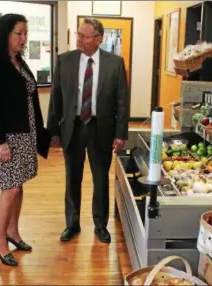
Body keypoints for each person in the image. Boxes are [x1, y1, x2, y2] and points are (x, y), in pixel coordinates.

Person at [0, 14, 50, 266]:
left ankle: (13, 232)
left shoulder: (19, 60)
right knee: (11, 188)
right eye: (18, 33)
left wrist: (40, 133)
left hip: (25, 133)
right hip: (5, 137)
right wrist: (0, 142)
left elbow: (29, 100)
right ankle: (0, 242)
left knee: (20, 187)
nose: (23, 38)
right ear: (5, 33)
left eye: (25, 33)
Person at [47, 17, 129, 244]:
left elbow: (122, 101)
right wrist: (51, 131)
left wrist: (121, 133)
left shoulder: (115, 63)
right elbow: (56, 98)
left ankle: (100, 225)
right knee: (72, 177)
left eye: (84, 36)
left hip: (100, 128)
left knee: (101, 178)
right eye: (79, 35)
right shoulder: (65, 61)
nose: (80, 40)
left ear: (98, 39)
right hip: (72, 127)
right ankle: (72, 224)